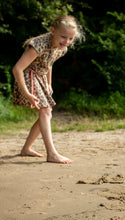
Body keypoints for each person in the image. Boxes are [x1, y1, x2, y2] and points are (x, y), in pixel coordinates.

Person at [12, 15, 84, 164]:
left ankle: (26, 149)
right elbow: (17, 68)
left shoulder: (61, 48)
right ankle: (51, 153)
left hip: (41, 76)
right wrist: (27, 93)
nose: (67, 42)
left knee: (47, 112)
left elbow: (49, 62)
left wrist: (49, 83)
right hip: (28, 74)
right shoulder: (38, 44)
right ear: (52, 31)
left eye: (70, 39)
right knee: (45, 111)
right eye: (63, 37)